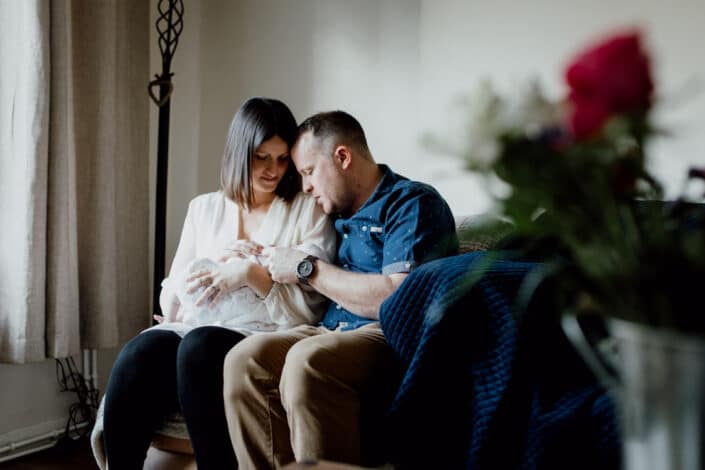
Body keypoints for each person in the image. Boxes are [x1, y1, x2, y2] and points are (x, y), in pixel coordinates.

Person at [99, 98, 336, 470]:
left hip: (268, 327)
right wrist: (219, 264)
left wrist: (249, 274)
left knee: (199, 347)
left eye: (281, 158)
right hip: (200, 319)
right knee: (141, 351)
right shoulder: (204, 209)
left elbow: (314, 299)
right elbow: (172, 290)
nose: (273, 170)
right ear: (240, 154)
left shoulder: (308, 209)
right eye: (261, 157)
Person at [223, 110, 458, 468]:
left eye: (308, 172)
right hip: (328, 328)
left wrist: (307, 268)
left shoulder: (411, 203)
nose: (305, 187)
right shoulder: (335, 210)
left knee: (308, 362)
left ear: (343, 157)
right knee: (244, 359)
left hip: (386, 335)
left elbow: (397, 300)